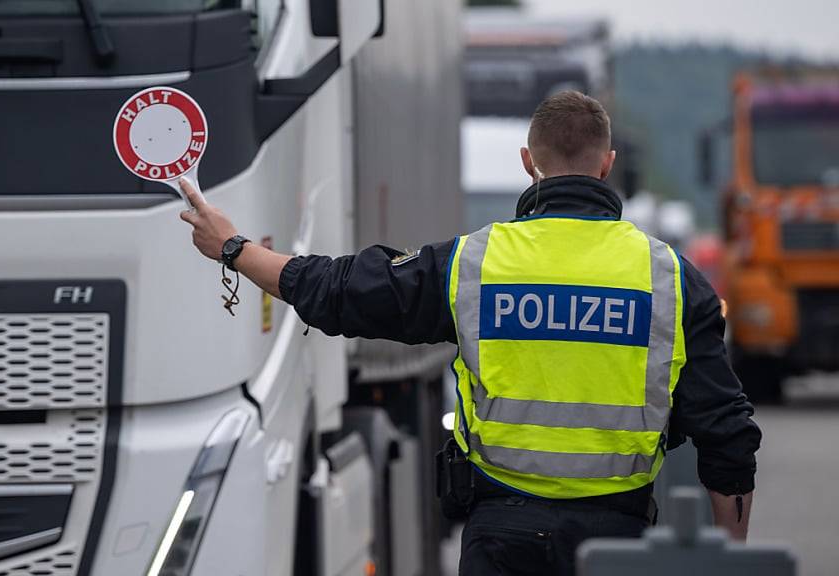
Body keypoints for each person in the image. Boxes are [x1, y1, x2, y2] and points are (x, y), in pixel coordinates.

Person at [179, 91, 761, 575]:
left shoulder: (472, 265)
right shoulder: (671, 279)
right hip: (618, 540)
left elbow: (341, 292)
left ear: (528, 162)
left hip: (500, 538)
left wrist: (235, 249)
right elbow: (726, 432)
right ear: (607, 163)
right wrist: (729, 555)